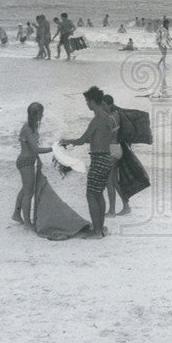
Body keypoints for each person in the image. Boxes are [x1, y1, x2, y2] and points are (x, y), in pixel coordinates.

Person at [59, 87, 117, 237]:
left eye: (87, 101)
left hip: (98, 159)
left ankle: (97, 231)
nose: (86, 104)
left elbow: (82, 140)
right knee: (98, 194)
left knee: (91, 194)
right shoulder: (108, 117)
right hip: (107, 158)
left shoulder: (97, 119)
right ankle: (100, 228)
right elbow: (100, 138)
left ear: (92, 101)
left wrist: (66, 141)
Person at [13, 102, 53, 224]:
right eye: (41, 113)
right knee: (28, 192)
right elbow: (35, 149)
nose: (42, 115)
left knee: (25, 189)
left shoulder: (32, 127)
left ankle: (16, 214)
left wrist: (39, 161)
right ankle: (27, 223)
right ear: (36, 114)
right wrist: (53, 149)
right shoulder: (27, 128)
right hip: (25, 162)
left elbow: (32, 149)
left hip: (29, 161)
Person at [101, 95, 131, 217]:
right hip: (117, 148)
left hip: (111, 150)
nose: (102, 107)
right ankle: (126, 206)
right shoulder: (117, 114)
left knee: (109, 182)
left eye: (104, 105)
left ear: (109, 105)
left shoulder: (108, 118)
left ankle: (112, 211)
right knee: (114, 181)